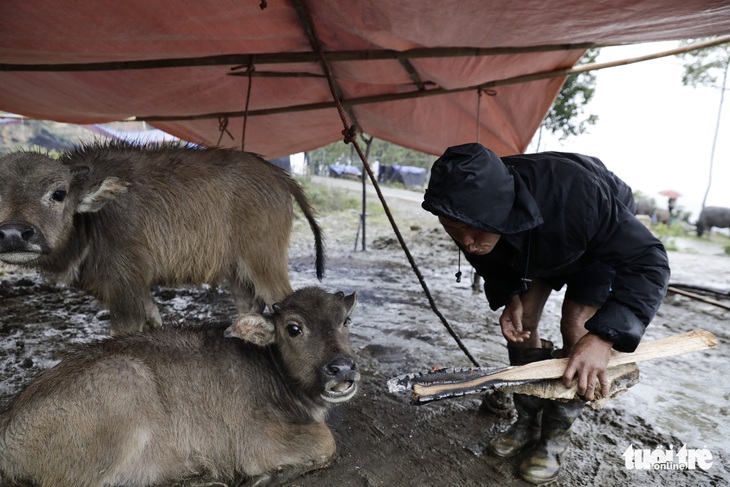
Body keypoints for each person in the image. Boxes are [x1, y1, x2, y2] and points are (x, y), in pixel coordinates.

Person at [422, 143, 670, 485]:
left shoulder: (579, 194)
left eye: (474, 228)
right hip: (531, 244)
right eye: (453, 227)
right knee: (522, 324)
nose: (465, 242)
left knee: (576, 323)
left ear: (501, 209)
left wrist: (602, 337)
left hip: (591, 240)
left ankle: (554, 439)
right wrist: (510, 294)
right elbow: (483, 253)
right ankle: (525, 421)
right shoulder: (466, 204)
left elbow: (648, 260)